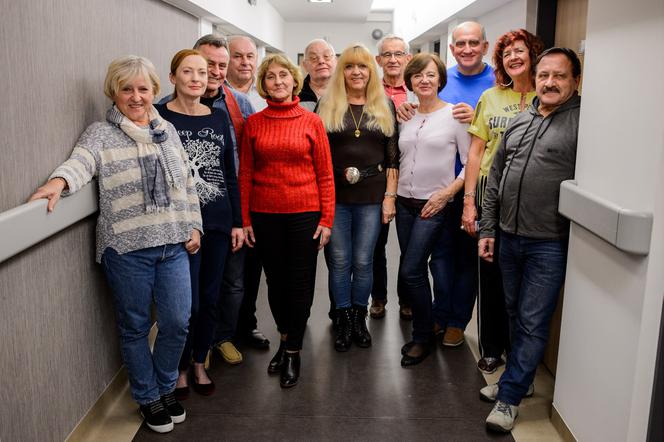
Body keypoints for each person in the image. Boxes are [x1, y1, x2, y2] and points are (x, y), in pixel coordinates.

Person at [29, 56, 201, 433]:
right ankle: (148, 396)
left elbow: (187, 183)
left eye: (143, 88)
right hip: (126, 248)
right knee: (135, 327)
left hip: (173, 242)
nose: (136, 97)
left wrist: (195, 226)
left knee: (176, 322)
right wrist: (58, 182)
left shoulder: (166, 130)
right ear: (114, 92)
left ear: (155, 91)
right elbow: (80, 161)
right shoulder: (100, 134)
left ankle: (165, 384)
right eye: (127, 89)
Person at [479, 47, 582, 432]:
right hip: (508, 237)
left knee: (532, 321)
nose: (550, 83)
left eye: (559, 76)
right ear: (535, 79)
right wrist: (488, 230)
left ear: (575, 81)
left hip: (549, 242)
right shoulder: (520, 121)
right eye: (544, 76)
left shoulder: (583, 125)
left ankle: (508, 398)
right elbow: (494, 182)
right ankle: (517, 383)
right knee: (511, 313)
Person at [239, 53, 335, 388]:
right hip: (264, 216)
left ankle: (294, 350)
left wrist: (327, 219)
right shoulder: (254, 123)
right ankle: (284, 338)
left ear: (294, 81)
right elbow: (246, 173)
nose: (278, 82)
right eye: (270, 77)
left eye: (284, 76)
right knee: (275, 284)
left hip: (304, 215)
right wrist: (245, 218)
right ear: (263, 84)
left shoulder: (312, 122)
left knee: (300, 283)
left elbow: (325, 174)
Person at [155, 49, 242, 398]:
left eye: (202, 73)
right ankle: (177, 367)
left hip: (218, 222)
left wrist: (236, 221)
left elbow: (229, 174)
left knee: (209, 297)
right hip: (179, 225)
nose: (196, 79)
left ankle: (199, 363)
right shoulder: (159, 116)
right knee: (183, 304)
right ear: (173, 77)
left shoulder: (219, 117)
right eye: (187, 72)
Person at [461, 29, 544, 373]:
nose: (513, 57)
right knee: (491, 274)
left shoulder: (549, 97)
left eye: (519, 50)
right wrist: (469, 202)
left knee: (524, 278)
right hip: (489, 194)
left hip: (531, 198)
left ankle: (520, 351)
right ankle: (492, 346)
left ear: (533, 54)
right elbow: (476, 153)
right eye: (507, 53)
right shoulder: (490, 97)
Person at [318, 44, 399, 352]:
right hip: (334, 197)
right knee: (339, 261)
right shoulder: (327, 104)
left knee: (364, 261)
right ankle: (341, 318)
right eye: (350, 66)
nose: (356, 72)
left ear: (370, 72)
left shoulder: (384, 105)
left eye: (362, 67)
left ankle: (358, 317)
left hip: (372, 196)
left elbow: (393, 157)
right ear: (342, 71)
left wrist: (390, 197)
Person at [396, 53, 471, 366]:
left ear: (440, 79)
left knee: (412, 270)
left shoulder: (455, 116)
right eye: (417, 76)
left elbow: (471, 164)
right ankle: (432, 322)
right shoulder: (406, 116)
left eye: (430, 75)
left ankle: (423, 336)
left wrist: (447, 194)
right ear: (410, 81)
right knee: (413, 266)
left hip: (434, 204)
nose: (423, 80)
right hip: (403, 203)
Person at [370, 34, 414, 321]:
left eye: (399, 54)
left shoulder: (421, 89)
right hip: (380, 179)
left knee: (411, 246)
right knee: (376, 244)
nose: (394, 59)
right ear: (379, 60)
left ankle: (407, 299)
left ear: (408, 58)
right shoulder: (371, 92)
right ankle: (379, 297)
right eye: (387, 54)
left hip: (412, 179)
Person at [227, 35, 266, 111]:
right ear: (226, 59)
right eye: (237, 56)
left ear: (256, 59)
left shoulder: (267, 91)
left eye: (250, 56)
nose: (245, 62)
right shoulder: (215, 89)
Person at [298, 38, 337, 111]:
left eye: (326, 56)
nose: (321, 61)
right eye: (313, 58)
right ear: (305, 65)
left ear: (336, 61)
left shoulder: (346, 91)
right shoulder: (295, 94)